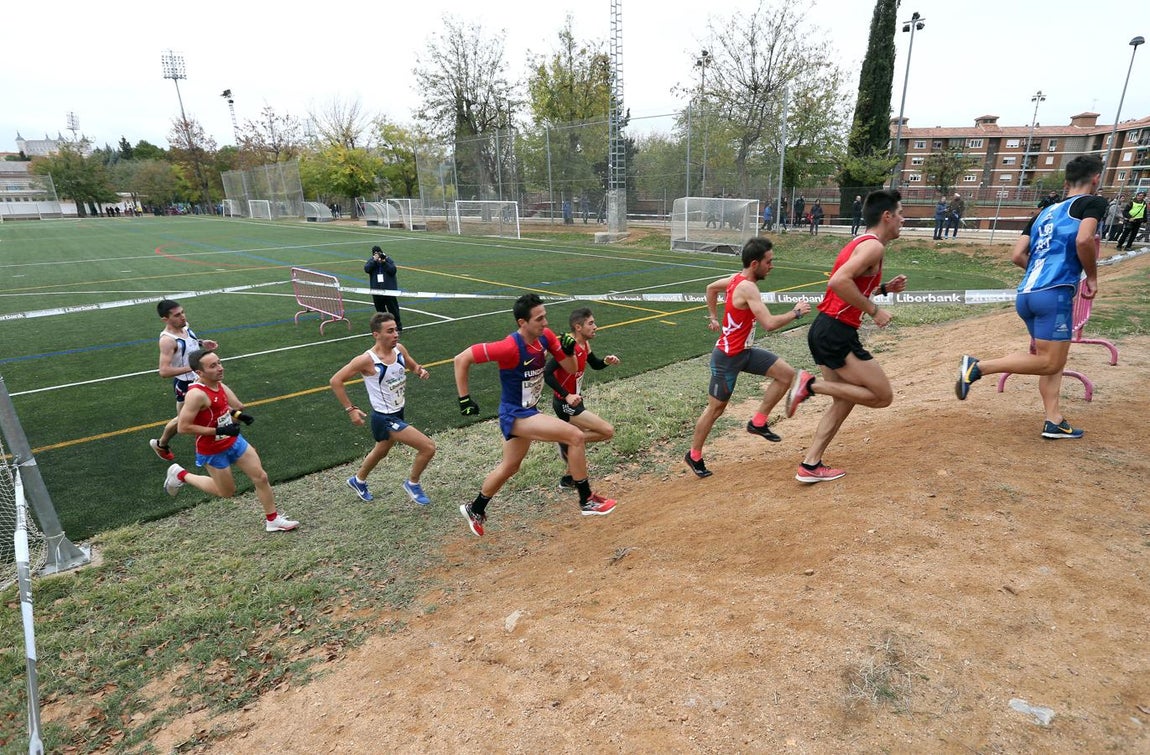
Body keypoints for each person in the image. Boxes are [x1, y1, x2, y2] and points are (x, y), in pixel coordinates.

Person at [955, 155, 1106, 438]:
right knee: (1051, 361)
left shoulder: (1044, 212)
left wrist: (1040, 274)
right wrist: (1092, 277)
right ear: (1096, 178)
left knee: (1050, 360)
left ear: (1065, 182)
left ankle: (1054, 421)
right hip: (1054, 295)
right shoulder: (1093, 203)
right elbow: (1084, 239)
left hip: (1027, 294)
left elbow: (1017, 255)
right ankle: (978, 367)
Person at [453, 293, 616, 536]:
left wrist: (569, 351)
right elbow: (461, 358)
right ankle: (586, 499)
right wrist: (464, 399)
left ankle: (476, 508)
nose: (546, 323)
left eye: (546, 316)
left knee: (510, 466)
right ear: (522, 323)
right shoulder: (509, 347)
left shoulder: (546, 338)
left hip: (529, 410)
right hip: (514, 414)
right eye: (539, 319)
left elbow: (570, 369)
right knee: (575, 435)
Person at [784, 189, 909, 483]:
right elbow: (839, 282)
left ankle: (810, 464)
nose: (903, 219)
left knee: (844, 399)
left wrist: (884, 289)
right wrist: (874, 310)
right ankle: (809, 385)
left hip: (826, 328)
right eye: (900, 213)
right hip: (836, 332)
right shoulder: (874, 247)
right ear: (887, 216)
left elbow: (850, 286)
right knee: (882, 396)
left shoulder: (861, 243)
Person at [685, 238, 812, 478]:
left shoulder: (735, 279)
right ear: (755, 264)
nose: (771, 266)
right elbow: (769, 324)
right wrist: (796, 313)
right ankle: (694, 455)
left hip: (745, 352)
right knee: (715, 410)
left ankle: (758, 422)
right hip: (726, 358)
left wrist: (713, 316)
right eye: (769, 261)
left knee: (785, 375)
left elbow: (711, 287)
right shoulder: (747, 287)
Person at [162, 349, 299, 532]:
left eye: (219, 362)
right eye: (213, 366)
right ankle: (181, 475)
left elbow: (224, 408)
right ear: (200, 373)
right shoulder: (196, 395)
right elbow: (183, 427)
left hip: (234, 441)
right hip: (212, 449)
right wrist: (219, 430)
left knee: (261, 477)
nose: (220, 368)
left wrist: (239, 415)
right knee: (227, 492)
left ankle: (272, 519)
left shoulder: (218, 384)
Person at [330, 312, 436, 505]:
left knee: (381, 450)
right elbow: (336, 380)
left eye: (396, 330)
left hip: (398, 411)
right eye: (390, 331)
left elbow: (412, 365)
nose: (396, 334)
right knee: (428, 447)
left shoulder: (399, 350)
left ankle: (358, 480)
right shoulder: (366, 360)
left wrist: (419, 371)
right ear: (376, 335)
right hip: (384, 418)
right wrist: (350, 409)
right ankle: (412, 484)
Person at [543, 307, 621, 489]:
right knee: (607, 431)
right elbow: (547, 374)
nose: (596, 327)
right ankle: (565, 438)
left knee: (578, 445)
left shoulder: (585, 345)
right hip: (565, 403)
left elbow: (594, 364)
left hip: (576, 400)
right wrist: (567, 395)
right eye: (591, 323)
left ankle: (569, 479)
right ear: (578, 327)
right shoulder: (566, 348)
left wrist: (606, 362)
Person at [149, 299, 219, 462]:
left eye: (183, 312)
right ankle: (162, 444)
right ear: (165, 319)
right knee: (184, 421)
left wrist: (202, 342)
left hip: (200, 379)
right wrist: (194, 366)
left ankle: (223, 442)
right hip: (186, 385)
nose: (183, 317)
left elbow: (188, 343)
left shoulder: (184, 326)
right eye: (177, 315)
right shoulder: (167, 341)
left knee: (216, 406)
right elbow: (164, 371)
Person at [364, 245, 402, 330]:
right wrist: (374, 261)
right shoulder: (371, 261)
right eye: (375, 254)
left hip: (389, 290)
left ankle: (398, 327)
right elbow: (367, 269)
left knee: (393, 310)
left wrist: (384, 262)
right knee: (380, 312)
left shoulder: (388, 260)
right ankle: (384, 328)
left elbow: (393, 271)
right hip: (376, 291)